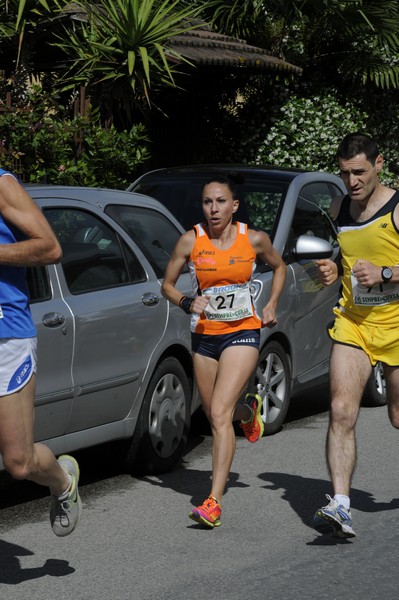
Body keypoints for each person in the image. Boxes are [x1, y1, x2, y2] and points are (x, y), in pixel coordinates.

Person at [161, 173, 286, 527]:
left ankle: (213, 500)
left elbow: (280, 268)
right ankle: (248, 412)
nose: (213, 209)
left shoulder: (254, 239)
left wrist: (272, 305)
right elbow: (166, 286)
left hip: (243, 332)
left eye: (220, 202)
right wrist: (187, 302)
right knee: (218, 414)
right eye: (207, 202)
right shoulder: (190, 241)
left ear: (234, 205)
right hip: (204, 335)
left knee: (217, 414)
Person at [313, 132, 399, 538]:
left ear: (379, 164)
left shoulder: (398, 207)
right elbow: (344, 256)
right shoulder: (340, 207)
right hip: (354, 323)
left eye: (359, 172)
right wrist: (333, 268)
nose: (352, 182)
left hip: (398, 323)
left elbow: (379, 267)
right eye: (345, 173)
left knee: (397, 416)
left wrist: (386, 274)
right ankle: (341, 506)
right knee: (341, 410)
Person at [0, 168, 82, 536]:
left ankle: (61, 481)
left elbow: (50, 247)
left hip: (7, 339)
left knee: (18, 462)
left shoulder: (2, 185)